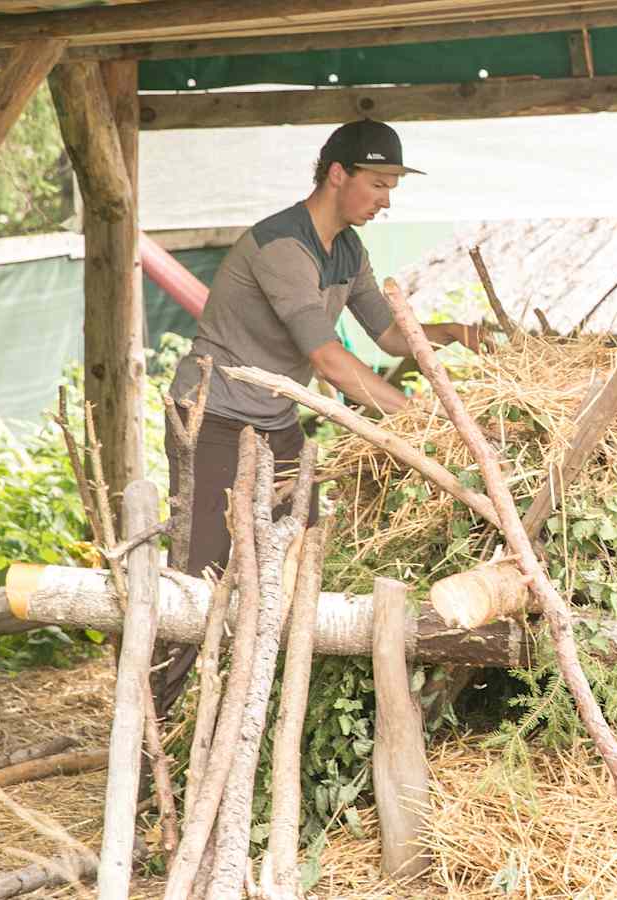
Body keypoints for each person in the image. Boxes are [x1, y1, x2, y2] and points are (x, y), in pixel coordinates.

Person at [157, 119, 480, 714]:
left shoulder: (348, 250)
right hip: (214, 416)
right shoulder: (283, 246)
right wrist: (422, 422)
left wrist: (450, 332)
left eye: (393, 186)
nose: (388, 199)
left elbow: (385, 335)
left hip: (275, 416)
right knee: (199, 576)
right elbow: (330, 361)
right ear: (339, 174)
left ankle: (257, 701)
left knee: (296, 557)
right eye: (380, 183)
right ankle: (163, 721)